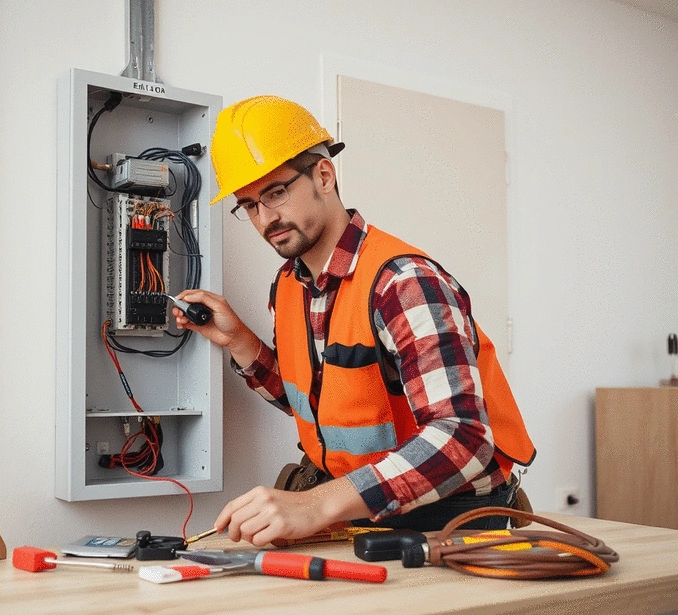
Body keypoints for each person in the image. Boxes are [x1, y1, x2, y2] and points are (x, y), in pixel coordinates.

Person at [173, 95, 535, 547]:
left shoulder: (404, 283)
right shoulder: (289, 286)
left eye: (276, 193)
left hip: (448, 521)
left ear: (324, 175)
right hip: (361, 516)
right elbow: (322, 405)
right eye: (248, 205)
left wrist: (318, 503)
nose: (265, 219)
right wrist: (238, 340)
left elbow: (461, 439)